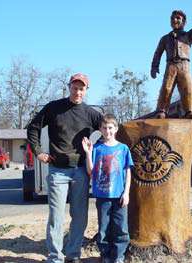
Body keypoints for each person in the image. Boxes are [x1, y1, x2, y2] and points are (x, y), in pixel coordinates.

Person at [27, 73, 103, 263]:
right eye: (75, 87)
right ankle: (55, 257)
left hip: (80, 172)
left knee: (80, 215)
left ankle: (73, 253)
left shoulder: (91, 113)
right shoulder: (54, 108)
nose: (78, 91)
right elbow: (33, 128)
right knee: (56, 216)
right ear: (69, 87)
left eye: (82, 88)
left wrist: (94, 153)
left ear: (86, 90)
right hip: (57, 170)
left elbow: (109, 131)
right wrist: (38, 152)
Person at [82, 114, 134, 263]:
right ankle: (105, 256)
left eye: (110, 128)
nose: (107, 131)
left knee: (121, 228)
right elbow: (91, 171)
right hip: (102, 196)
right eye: (104, 128)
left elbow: (128, 172)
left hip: (119, 196)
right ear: (100, 129)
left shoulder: (123, 149)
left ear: (116, 129)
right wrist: (87, 153)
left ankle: (118, 257)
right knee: (103, 228)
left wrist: (126, 192)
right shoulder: (97, 148)